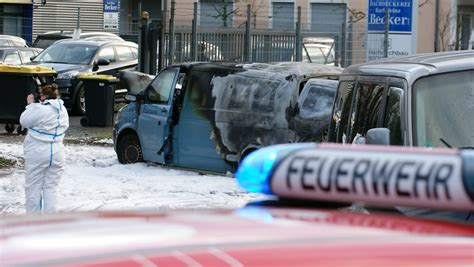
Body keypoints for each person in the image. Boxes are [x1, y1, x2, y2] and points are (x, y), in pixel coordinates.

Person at [20, 84, 69, 213]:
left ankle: (33, 222)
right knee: (51, 188)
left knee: (33, 187)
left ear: (43, 96)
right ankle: (50, 223)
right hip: (57, 151)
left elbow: (24, 121)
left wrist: (30, 105)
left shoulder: (41, 110)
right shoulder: (62, 110)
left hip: (38, 151)